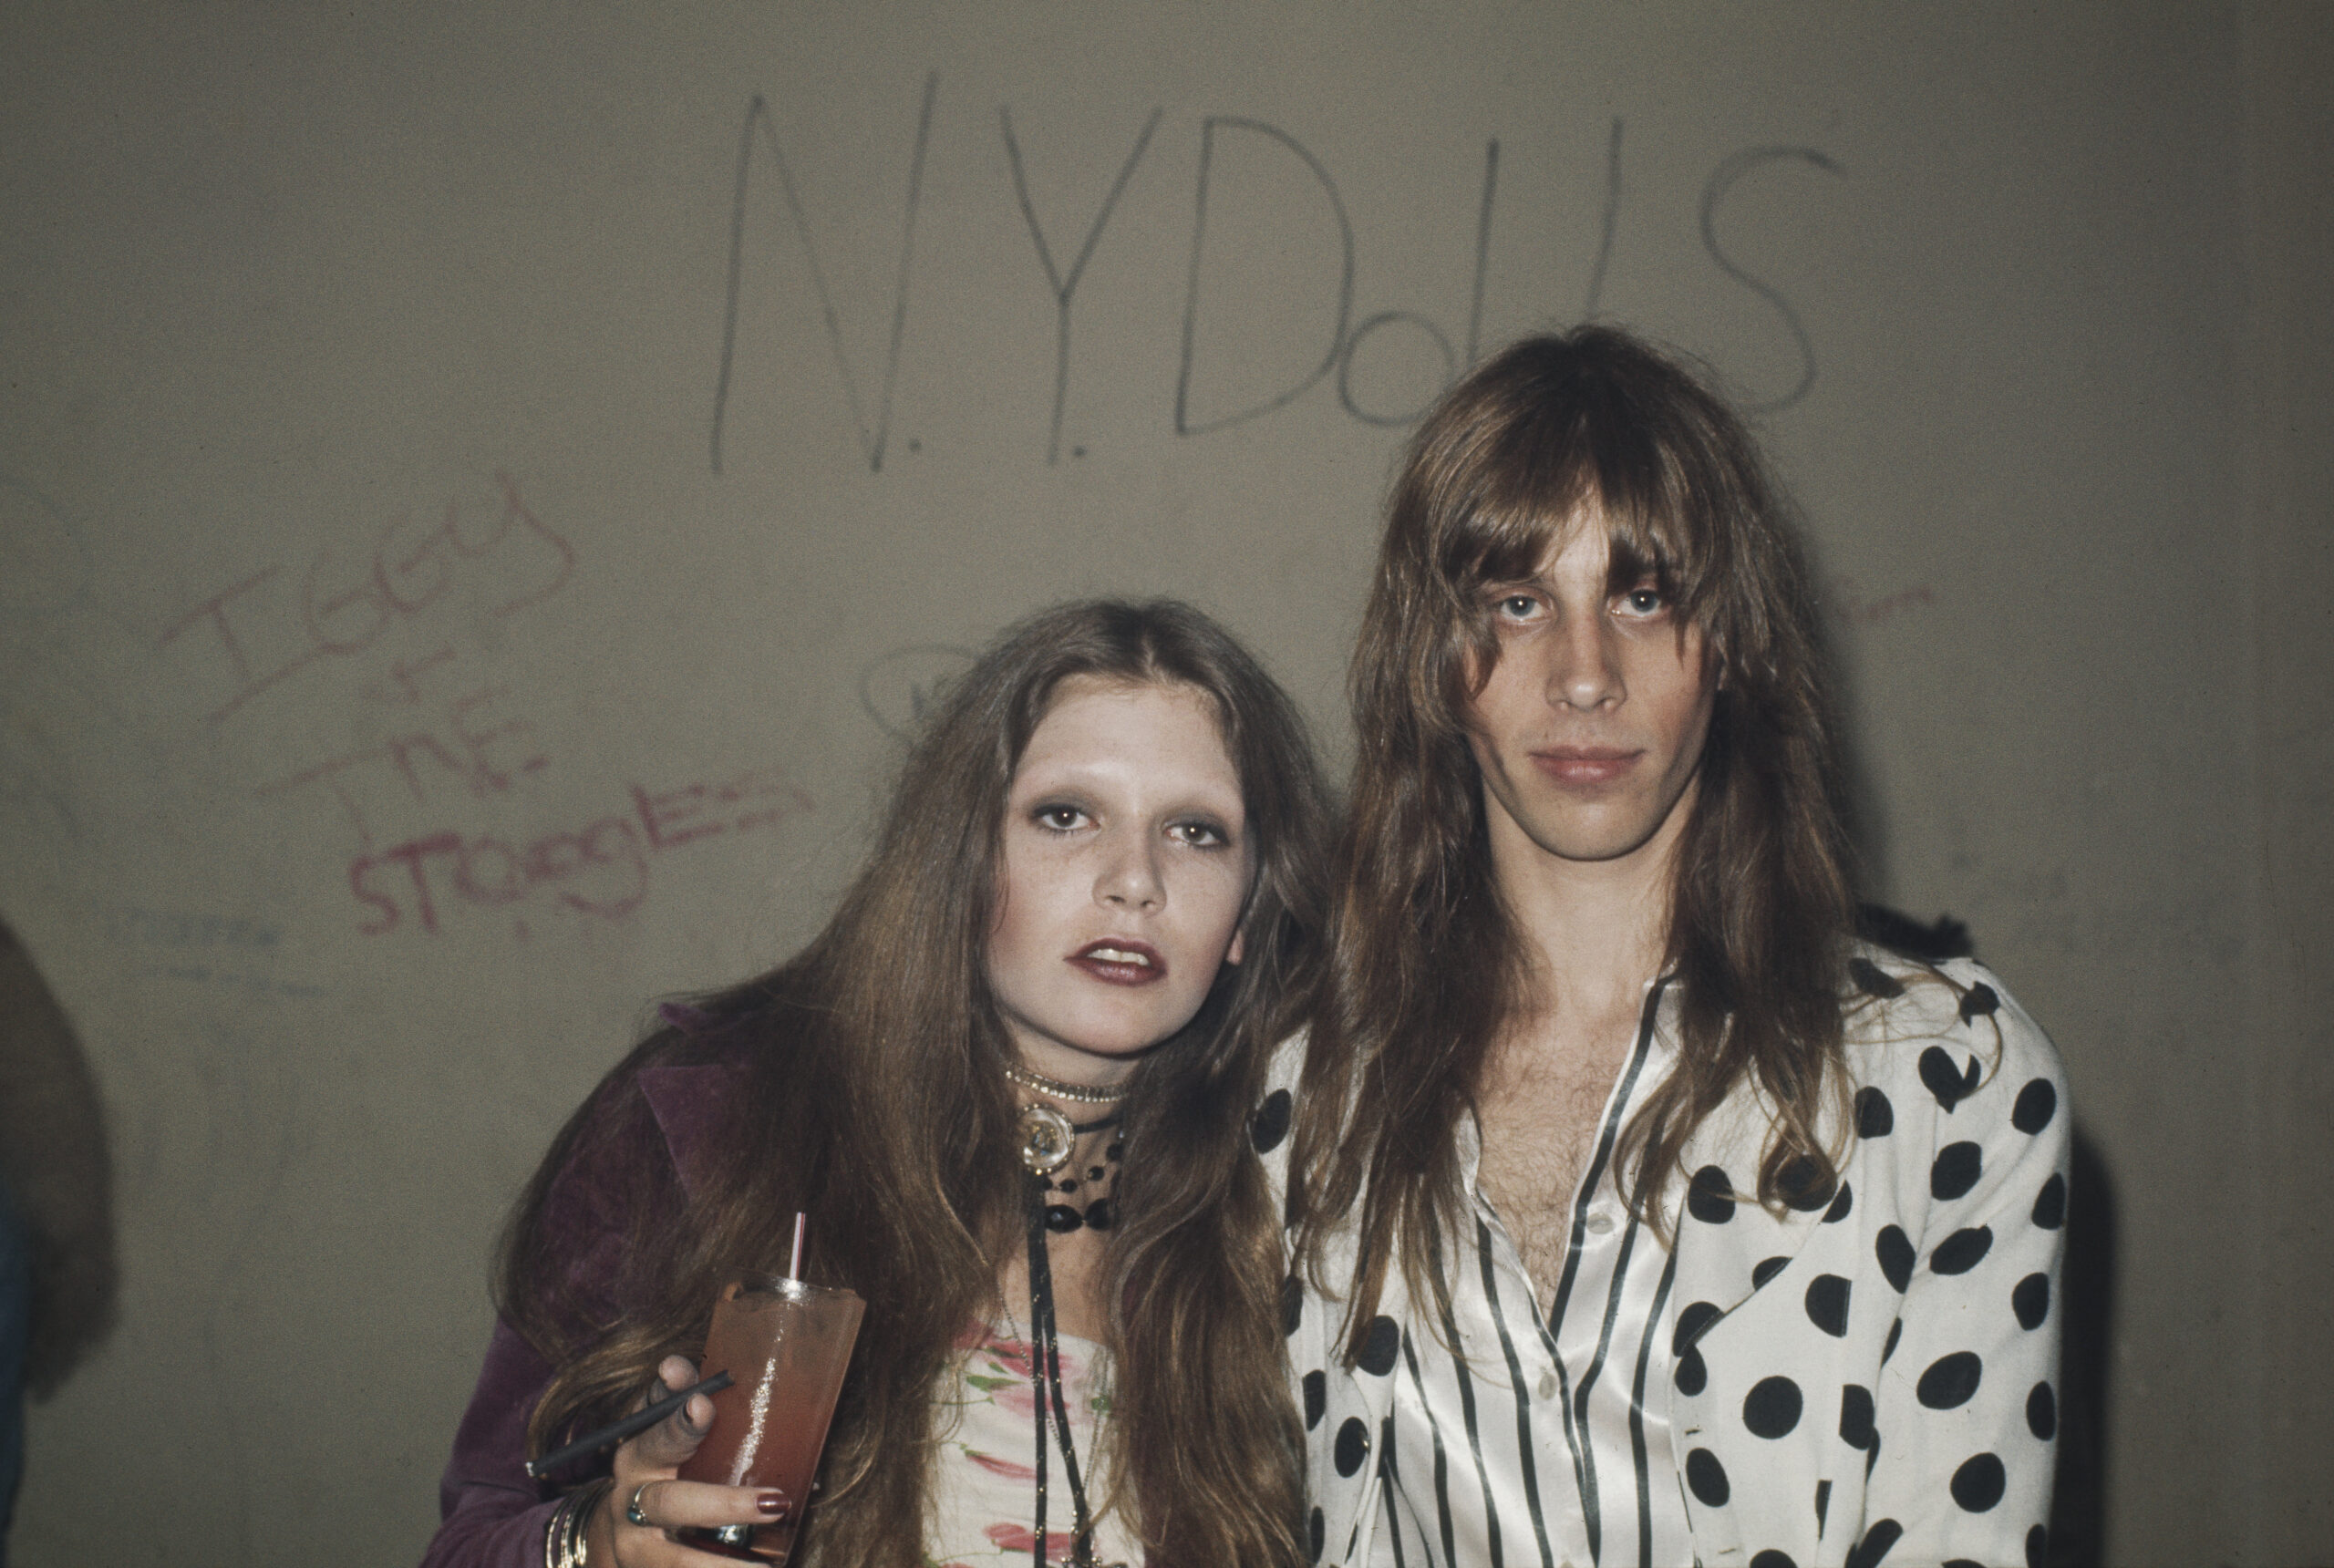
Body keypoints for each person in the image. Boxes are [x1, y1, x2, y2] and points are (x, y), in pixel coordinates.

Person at [1270, 328, 2069, 1568]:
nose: (1584, 676)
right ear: (1435, 662)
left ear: (1733, 644)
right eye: (1518, 602)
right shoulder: (1304, 1092)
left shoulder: (1943, 1077)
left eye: (1643, 598)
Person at [423, 599, 1327, 1568]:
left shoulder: (1302, 1198)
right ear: (961, 861)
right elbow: (471, 1537)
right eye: (1065, 816)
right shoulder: (720, 1127)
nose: (1134, 880)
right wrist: (596, 1545)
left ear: (1248, 911)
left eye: (1195, 832)